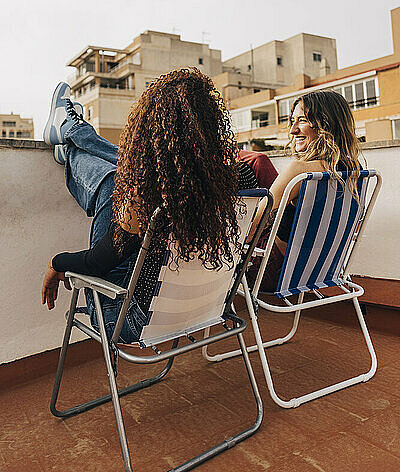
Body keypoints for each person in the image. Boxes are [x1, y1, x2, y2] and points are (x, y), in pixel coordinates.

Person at [41, 68, 259, 342]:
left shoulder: (147, 196)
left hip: (129, 319)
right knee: (127, 179)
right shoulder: (242, 177)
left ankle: (71, 142)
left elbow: (96, 263)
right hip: (206, 308)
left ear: (151, 127)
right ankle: (71, 136)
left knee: (114, 183)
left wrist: (55, 262)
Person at [245, 89, 362, 292]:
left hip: (273, 273)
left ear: (326, 123)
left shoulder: (300, 171)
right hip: (322, 271)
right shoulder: (356, 171)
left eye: (302, 120)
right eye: (292, 121)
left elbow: (251, 228)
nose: (292, 130)